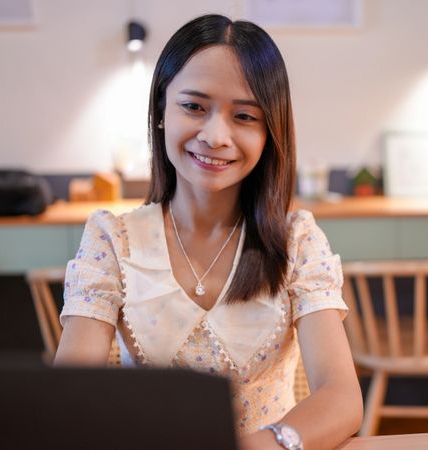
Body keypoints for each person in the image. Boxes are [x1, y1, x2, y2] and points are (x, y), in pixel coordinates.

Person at [54, 13, 363, 450]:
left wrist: (265, 445)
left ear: (270, 131)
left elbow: (340, 397)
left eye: (244, 116)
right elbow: (70, 395)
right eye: (194, 107)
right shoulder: (113, 239)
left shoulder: (296, 241)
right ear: (161, 110)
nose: (216, 136)